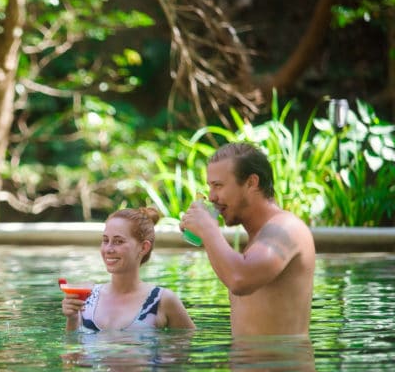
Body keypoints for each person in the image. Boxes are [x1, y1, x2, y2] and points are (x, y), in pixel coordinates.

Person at [180, 142, 316, 337]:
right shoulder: (256, 240)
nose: (211, 197)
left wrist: (209, 230)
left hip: (285, 366)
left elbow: (240, 280)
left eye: (218, 185)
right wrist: (202, 235)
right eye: (210, 187)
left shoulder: (286, 227)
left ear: (251, 183)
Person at [62, 208, 195, 332]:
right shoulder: (87, 297)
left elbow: (188, 351)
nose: (108, 249)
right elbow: (73, 355)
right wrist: (72, 318)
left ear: (143, 248)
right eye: (105, 240)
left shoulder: (162, 300)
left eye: (118, 241)